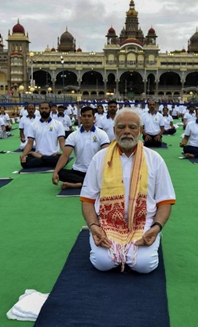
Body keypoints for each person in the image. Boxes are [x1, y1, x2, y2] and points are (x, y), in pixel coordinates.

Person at [80, 108, 176, 274]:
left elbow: (165, 200)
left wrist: (157, 227)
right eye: (121, 127)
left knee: (144, 265)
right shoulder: (100, 158)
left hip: (144, 221)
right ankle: (120, 247)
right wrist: (94, 226)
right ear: (114, 130)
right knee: (103, 263)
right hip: (107, 222)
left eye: (132, 127)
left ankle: (150, 240)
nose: (126, 132)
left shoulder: (154, 159)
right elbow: (88, 199)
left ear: (140, 130)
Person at [52, 106, 110, 189]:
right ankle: (87, 183)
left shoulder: (101, 134)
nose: (86, 118)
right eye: (84, 116)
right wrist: (55, 172)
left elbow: (106, 154)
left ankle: (78, 184)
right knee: (60, 172)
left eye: (89, 116)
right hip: (77, 171)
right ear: (80, 118)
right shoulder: (73, 135)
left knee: (106, 175)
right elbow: (65, 155)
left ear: (94, 118)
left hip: (95, 170)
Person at [20, 102, 66, 169]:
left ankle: (43, 158)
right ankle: (46, 160)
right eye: (42, 108)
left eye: (46, 108)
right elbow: (30, 142)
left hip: (53, 155)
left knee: (63, 159)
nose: (44, 110)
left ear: (50, 109)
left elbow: (62, 142)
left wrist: (65, 154)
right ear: (39, 110)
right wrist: (23, 155)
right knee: (24, 162)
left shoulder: (58, 124)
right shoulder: (33, 125)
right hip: (38, 155)